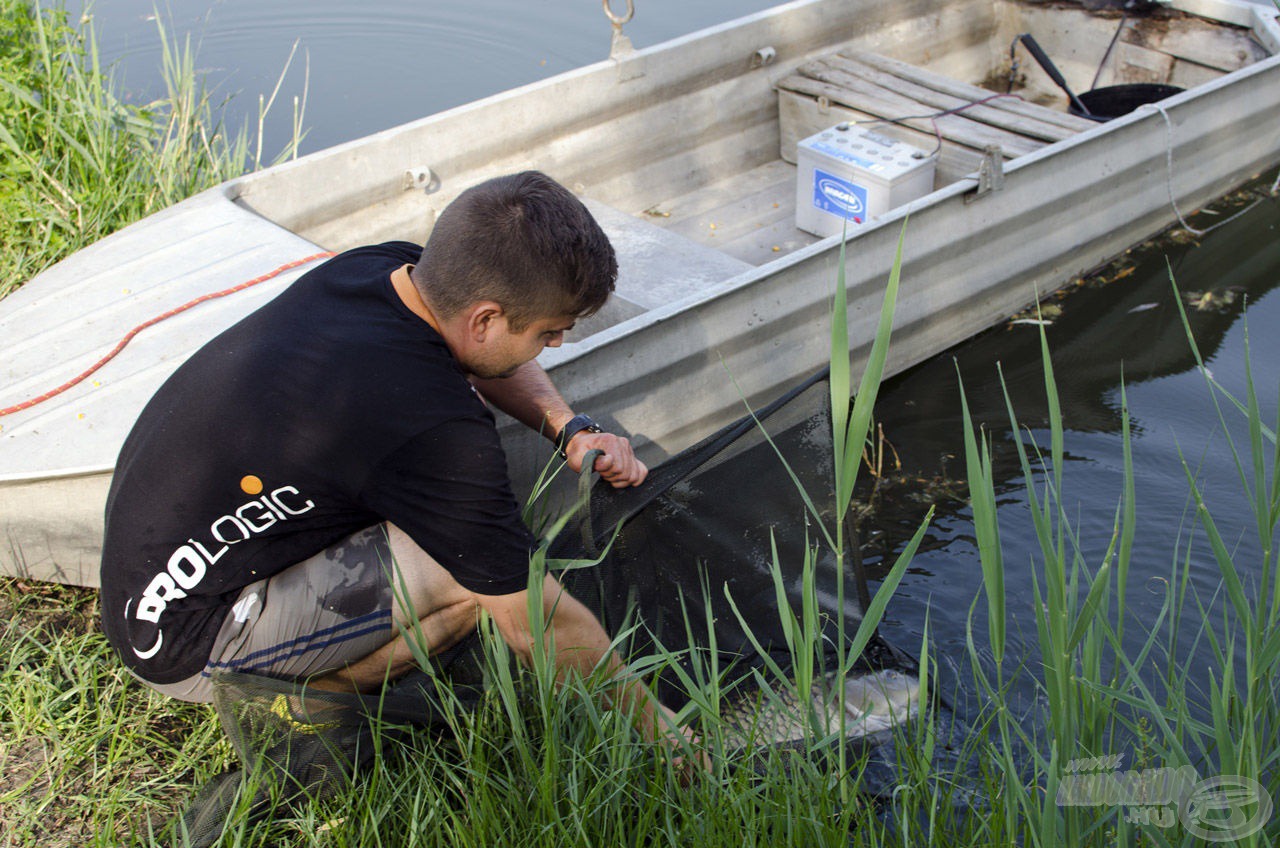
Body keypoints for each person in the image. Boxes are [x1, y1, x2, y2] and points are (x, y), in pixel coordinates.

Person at [99, 170, 689, 752]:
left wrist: (569, 427)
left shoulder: (386, 270)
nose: (556, 346)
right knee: (473, 579)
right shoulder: (433, 427)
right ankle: (298, 703)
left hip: (146, 561)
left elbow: (489, 355)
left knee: (464, 539)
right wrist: (673, 741)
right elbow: (536, 622)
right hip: (187, 635)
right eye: (548, 332)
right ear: (484, 318)